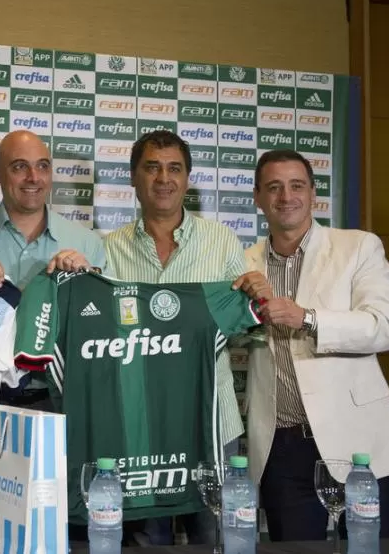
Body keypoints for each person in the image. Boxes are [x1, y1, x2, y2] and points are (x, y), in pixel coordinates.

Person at [234, 149, 389, 541]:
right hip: (281, 446)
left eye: (297, 185)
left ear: (314, 194)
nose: (286, 197)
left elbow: (386, 326)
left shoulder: (358, 247)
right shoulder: (240, 263)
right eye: (274, 187)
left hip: (358, 442)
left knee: (373, 549)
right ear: (258, 197)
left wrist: (308, 318)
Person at [103, 130, 267, 547]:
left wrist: (257, 303)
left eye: (174, 168)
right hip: (136, 425)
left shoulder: (222, 242)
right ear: (133, 177)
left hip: (211, 420)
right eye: (152, 167)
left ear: (188, 178)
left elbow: (247, 333)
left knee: (217, 537)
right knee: (144, 540)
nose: (164, 178)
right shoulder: (104, 251)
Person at [0, 130, 108, 410]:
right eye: (19, 167)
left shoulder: (86, 243)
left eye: (43, 166)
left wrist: (89, 286)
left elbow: (104, 336)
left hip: (62, 399)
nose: (33, 178)